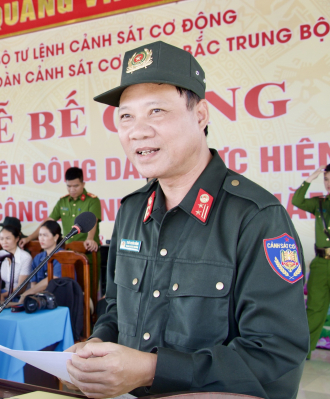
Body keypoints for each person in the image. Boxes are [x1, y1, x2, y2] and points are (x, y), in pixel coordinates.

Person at [63, 41, 308, 399]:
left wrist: (151, 370)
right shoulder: (132, 210)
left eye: (157, 111)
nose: (137, 131)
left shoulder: (256, 218)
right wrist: (96, 347)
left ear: (201, 115)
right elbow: (116, 307)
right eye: (125, 116)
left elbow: (275, 354)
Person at [291, 164, 330, 359]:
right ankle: (304, 351)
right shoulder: (320, 203)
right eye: (326, 179)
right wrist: (310, 179)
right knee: (315, 308)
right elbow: (297, 200)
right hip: (322, 263)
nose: (328, 184)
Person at [20, 167, 101, 252]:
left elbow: (92, 221)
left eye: (76, 186)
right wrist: (29, 238)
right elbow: (48, 221)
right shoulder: (63, 202)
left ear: (83, 184)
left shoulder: (92, 201)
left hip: (87, 250)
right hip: (68, 251)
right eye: (69, 186)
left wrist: (90, 239)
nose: (72, 189)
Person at [0, 219, 32, 301]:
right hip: (3, 293)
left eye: (8, 238)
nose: (4, 242)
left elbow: (21, 288)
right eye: (1, 239)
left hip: (19, 296)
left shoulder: (25, 257)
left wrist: (3, 295)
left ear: (17, 239)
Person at [19, 220, 64, 301]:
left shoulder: (63, 256)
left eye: (45, 235)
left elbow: (51, 280)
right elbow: (34, 283)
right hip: (41, 299)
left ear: (56, 237)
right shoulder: (38, 258)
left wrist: (27, 293)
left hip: (59, 297)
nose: (41, 239)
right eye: (40, 235)